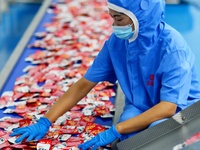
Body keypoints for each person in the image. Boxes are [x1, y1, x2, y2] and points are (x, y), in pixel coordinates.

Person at [10, 0, 200, 149]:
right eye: (112, 18)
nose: (114, 25)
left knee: (155, 136)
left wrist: (115, 130)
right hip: (141, 105)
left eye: (119, 19)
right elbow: (84, 84)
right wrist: (45, 121)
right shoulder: (117, 44)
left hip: (180, 110)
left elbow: (168, 107)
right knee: (128, 140)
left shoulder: (173, 50)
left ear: (142, 17)